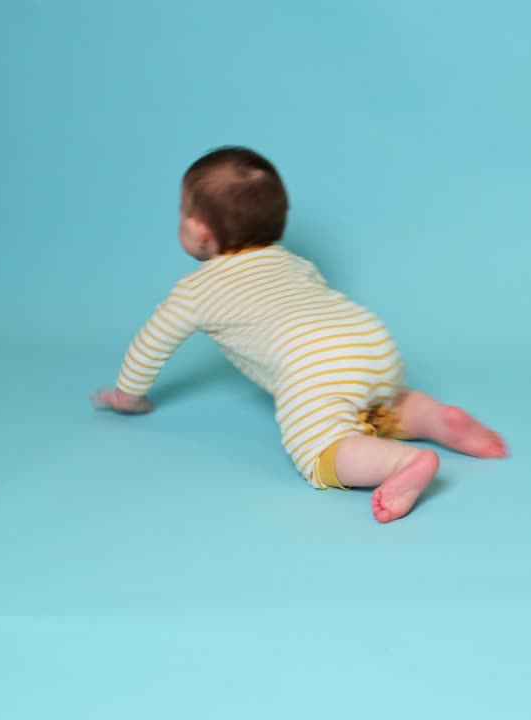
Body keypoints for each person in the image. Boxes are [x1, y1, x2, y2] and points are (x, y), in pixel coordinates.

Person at [93, 147, 506, 522]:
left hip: (312, 361)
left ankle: (403, 464)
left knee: (321, 448)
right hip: (367, 334)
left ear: (200, 229)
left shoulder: (194, 291)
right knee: (377, 406)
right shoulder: (294, 263)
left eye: (181, 211)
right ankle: (435, 418)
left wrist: (128, 396)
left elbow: (149, 346)